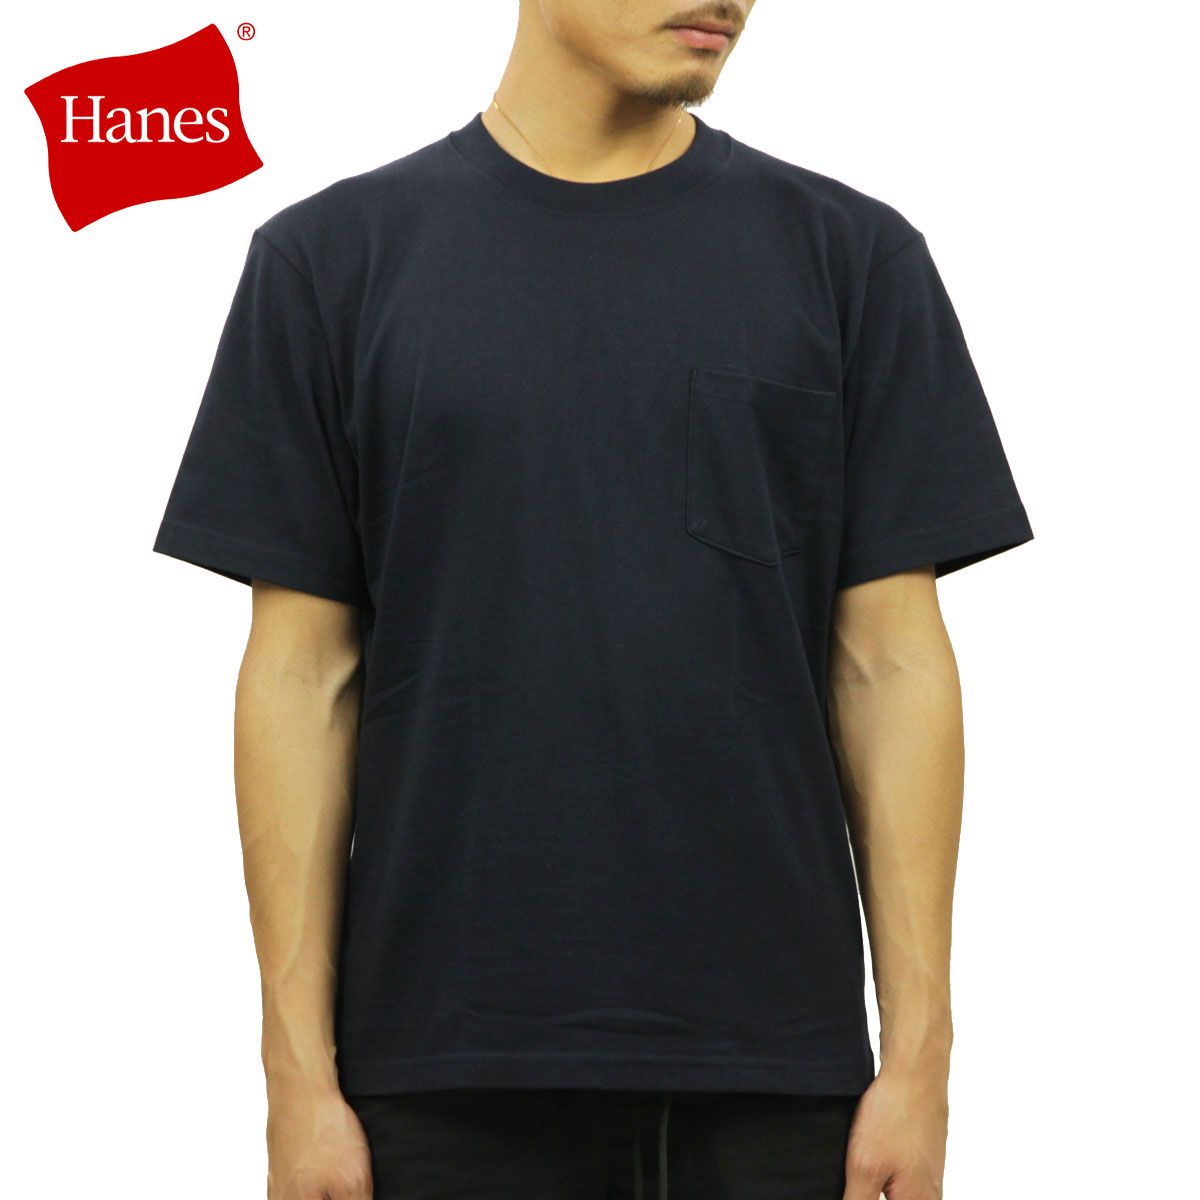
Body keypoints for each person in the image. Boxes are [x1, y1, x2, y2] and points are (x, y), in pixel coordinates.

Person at [152, 2, 1034, 1197]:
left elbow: (891, 662)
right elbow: (303, 679)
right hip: (438, 1090)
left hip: (780, 1091)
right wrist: (295, 1080)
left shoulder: (851, 258)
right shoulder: (331, 263)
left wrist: (922, 1060)